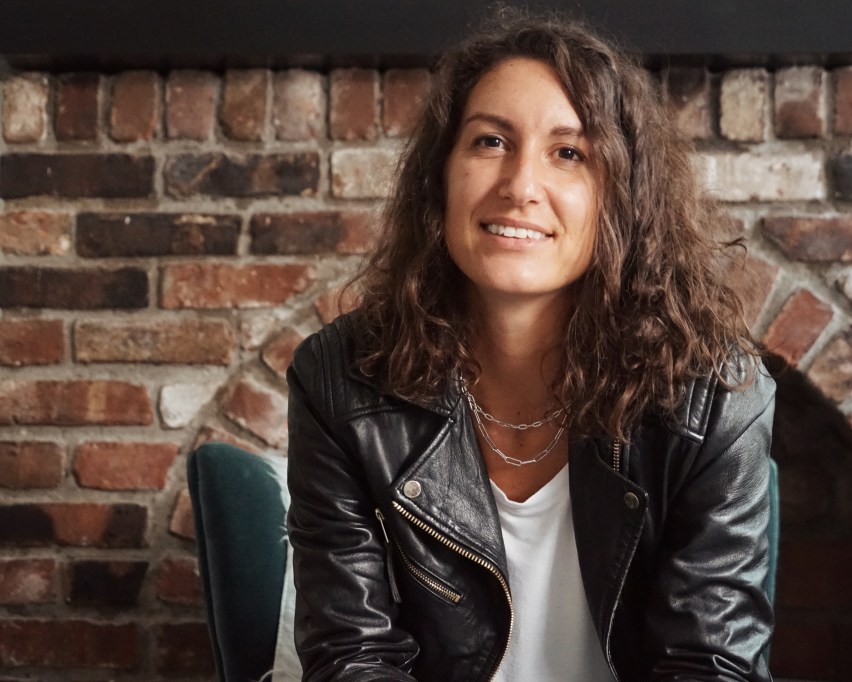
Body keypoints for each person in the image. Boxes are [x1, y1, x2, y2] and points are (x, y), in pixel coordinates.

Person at [287, 11, 775, 682]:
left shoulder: (715, 396)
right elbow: (352, 656)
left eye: (569, 153)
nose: (520, 187)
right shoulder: (339, 379)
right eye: (490, 141)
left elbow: (710, 666)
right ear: (441, 175)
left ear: (622, 197)